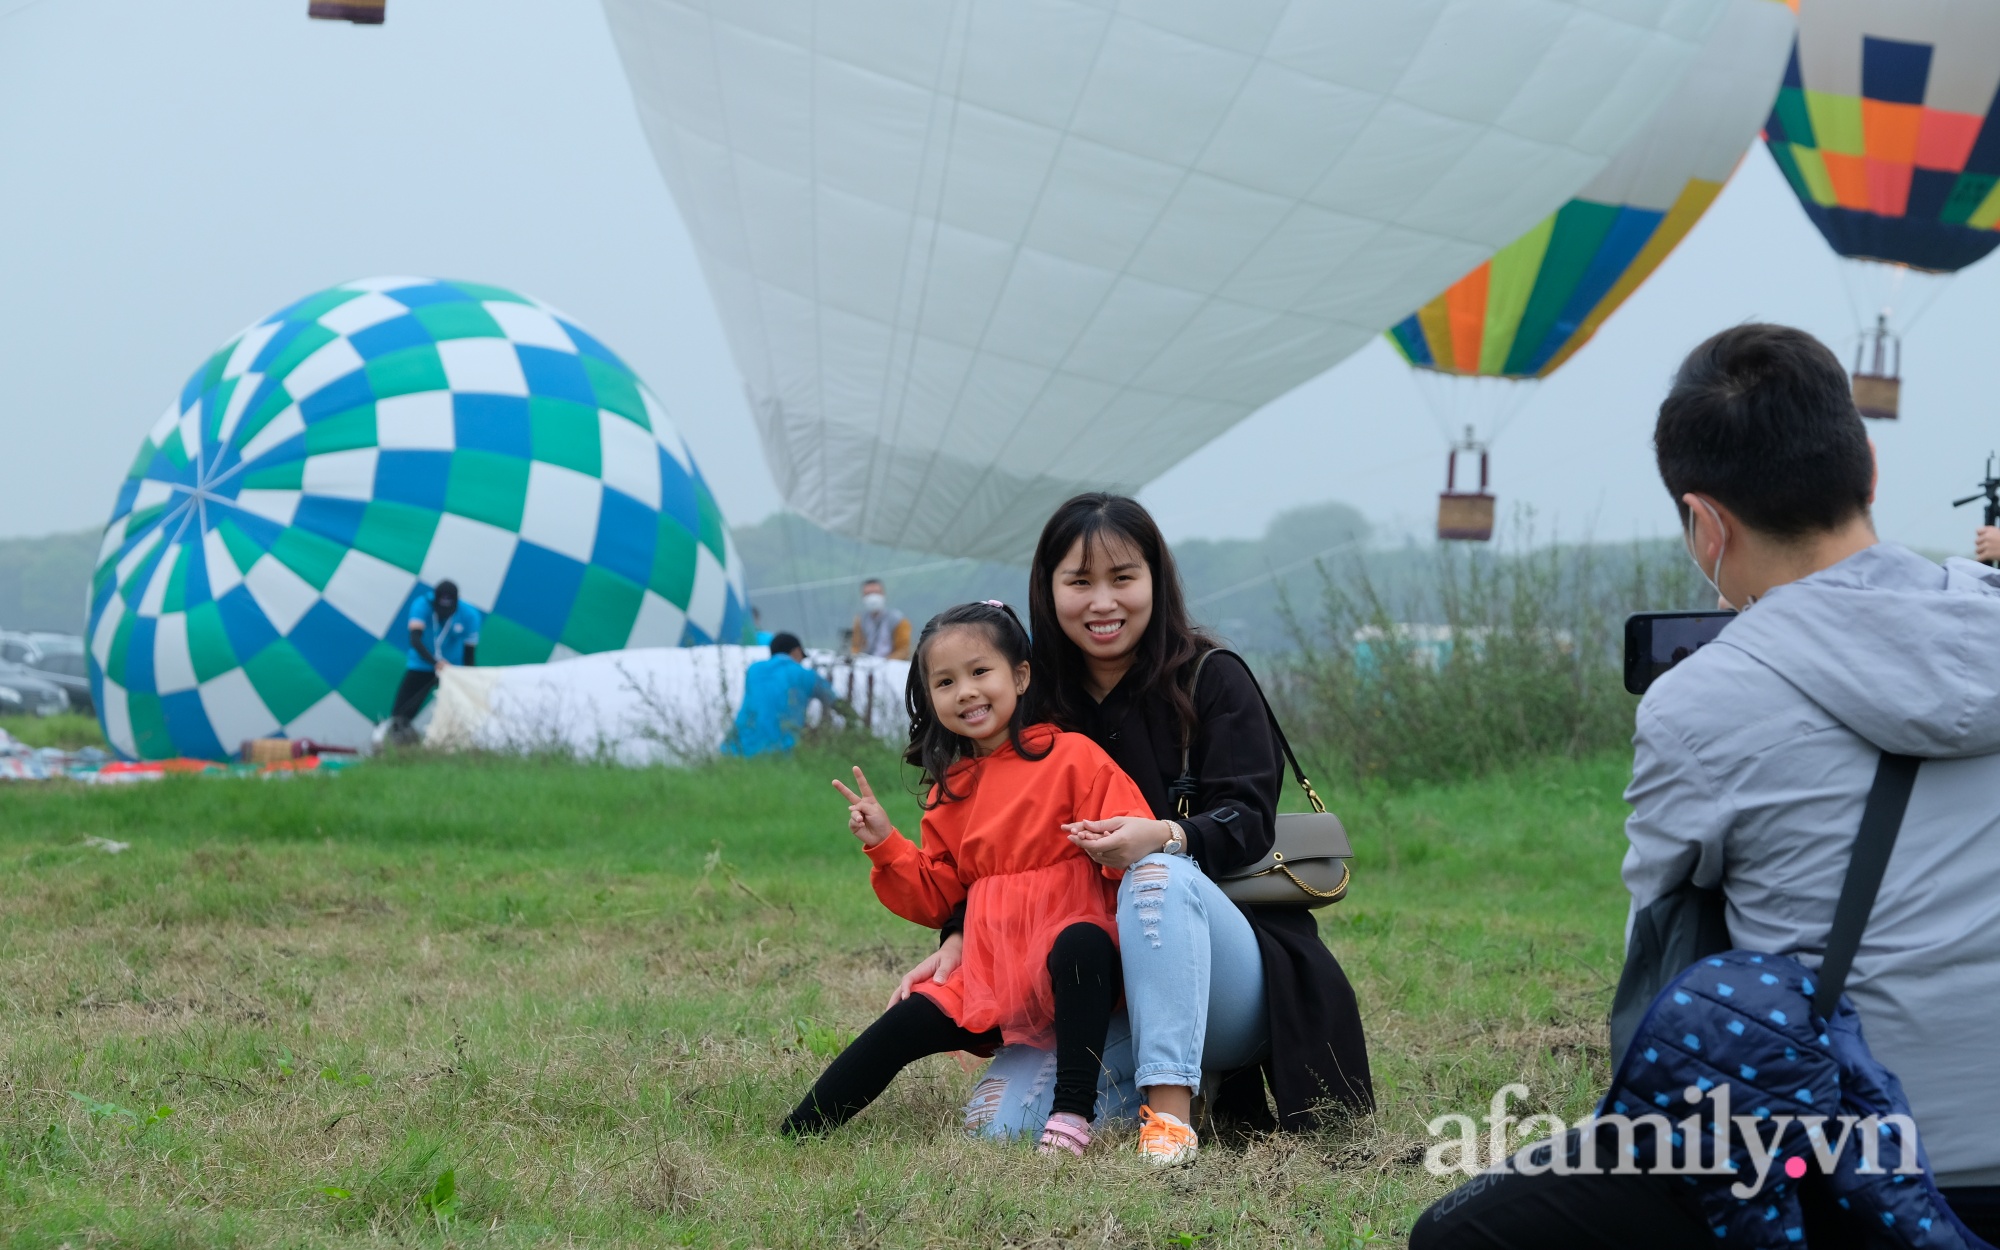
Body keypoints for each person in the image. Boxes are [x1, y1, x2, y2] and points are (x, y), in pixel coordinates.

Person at [1411, 324, 2000, 1248]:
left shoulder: (1704, 699)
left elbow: (1662, 949)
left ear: (1707, 523)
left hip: (1840, 1168)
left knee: (1457, 1234)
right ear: (1870, 469)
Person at [895, 494, 1373, 1164]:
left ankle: (1170, 1120)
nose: (1102, 602)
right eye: (1079, 582)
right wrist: (957, 934)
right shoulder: (1035, 699)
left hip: (1229, 969)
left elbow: (1247, 822)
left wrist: (1163, 836)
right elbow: (993, 841)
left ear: (1156, 580)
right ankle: (1159, 1075)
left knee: (1156, 875)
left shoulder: (1212, 677)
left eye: (1122, 578)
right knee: (998, 1126)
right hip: (1103, 979)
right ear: (1048, 588)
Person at [782, 601, 1147, 1156]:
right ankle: (799, 1132)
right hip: (993, 968)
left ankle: (1071, 1117)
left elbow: (1134, 841)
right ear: (930, 699)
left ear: (1020, 676)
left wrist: (1108, 848)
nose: (967, 692)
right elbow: (940, 895)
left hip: (1081, 963)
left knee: (1081, 943)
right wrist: (884, 842)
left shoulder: (1074, 757)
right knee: (908, 1019)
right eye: (946, 682)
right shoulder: (950, 789)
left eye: (981, 672)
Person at [722, 633, 845, 757]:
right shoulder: (806, 675)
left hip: (735, 751)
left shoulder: (754, 670)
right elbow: (835, 701)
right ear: (797, 651)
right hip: (779, 753)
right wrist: (854, 721)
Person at [387, 580, 479, 744]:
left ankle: (458, 744)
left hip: (453, 670)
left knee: (460, 711)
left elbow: (469, 655)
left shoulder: (470, 615)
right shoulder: (421, 605)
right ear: (433, 600)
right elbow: (415, 640)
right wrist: (435, 662)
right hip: (421, 664)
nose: (444, 613)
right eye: (440, 608)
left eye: (449, 609)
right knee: (400, 714)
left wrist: (468, 678)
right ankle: (398, 747)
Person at [849, 578, 910, 659]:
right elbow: (856, 646)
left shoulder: (898, 620)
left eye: (876, 593)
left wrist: (885, 662)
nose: (872, 598)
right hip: (866, 664)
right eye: (868, 594)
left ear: (883, 594)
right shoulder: (860, 620)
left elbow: (904, 650)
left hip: (891, 664)